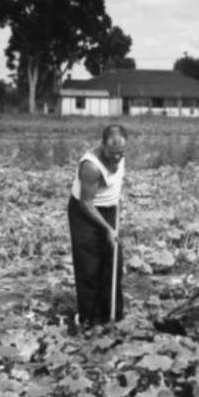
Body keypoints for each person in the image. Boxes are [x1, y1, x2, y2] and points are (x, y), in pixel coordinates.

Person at [67, 124, 127, 326]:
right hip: (85, 213)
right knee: (89, 266)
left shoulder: (117, 152)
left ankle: (113, 315)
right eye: (112, 153)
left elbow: (115, 179)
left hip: (109, 209)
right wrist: (108, 229)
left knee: (113, 263)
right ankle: (90, 320)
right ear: (103, 146)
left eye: (121, 153)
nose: (117, 157)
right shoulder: (91, 166)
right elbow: (86, 204)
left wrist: (117, 202)